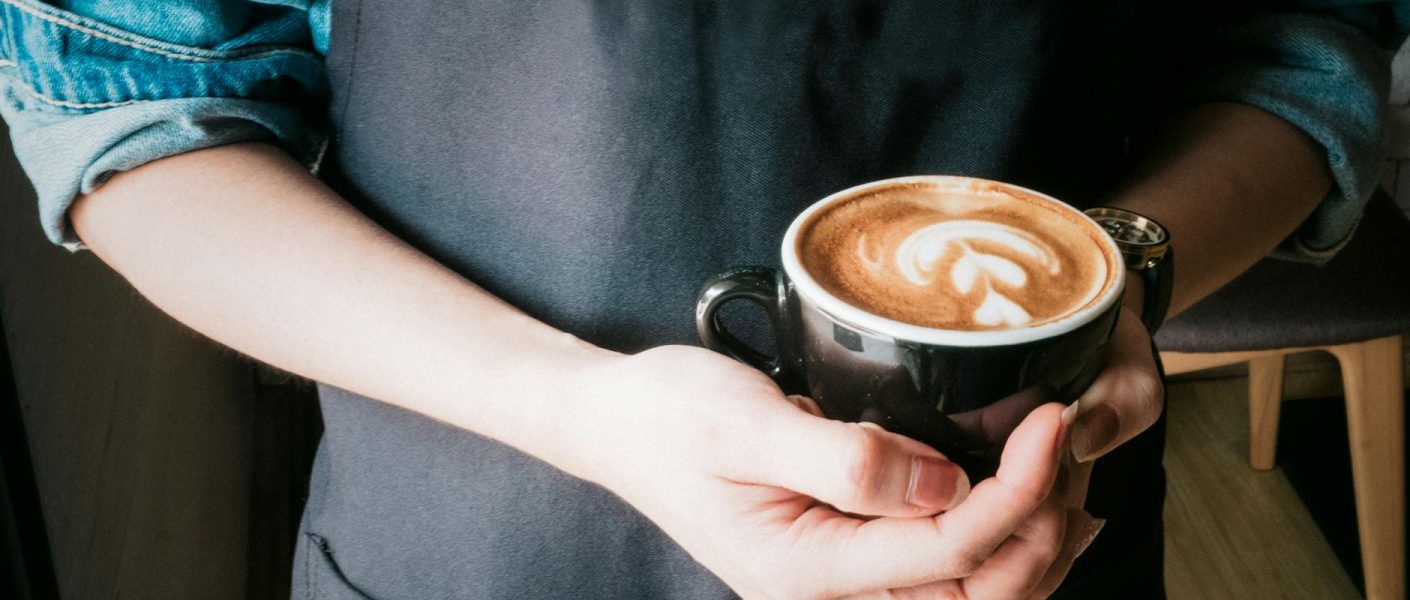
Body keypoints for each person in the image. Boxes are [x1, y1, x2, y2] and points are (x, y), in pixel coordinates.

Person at [0, 1, 1400, 598]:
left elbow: (1298, 38)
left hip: (1022, 552)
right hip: (477, 547)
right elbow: (144, 113)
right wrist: (579, 408)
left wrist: (1123, 279)